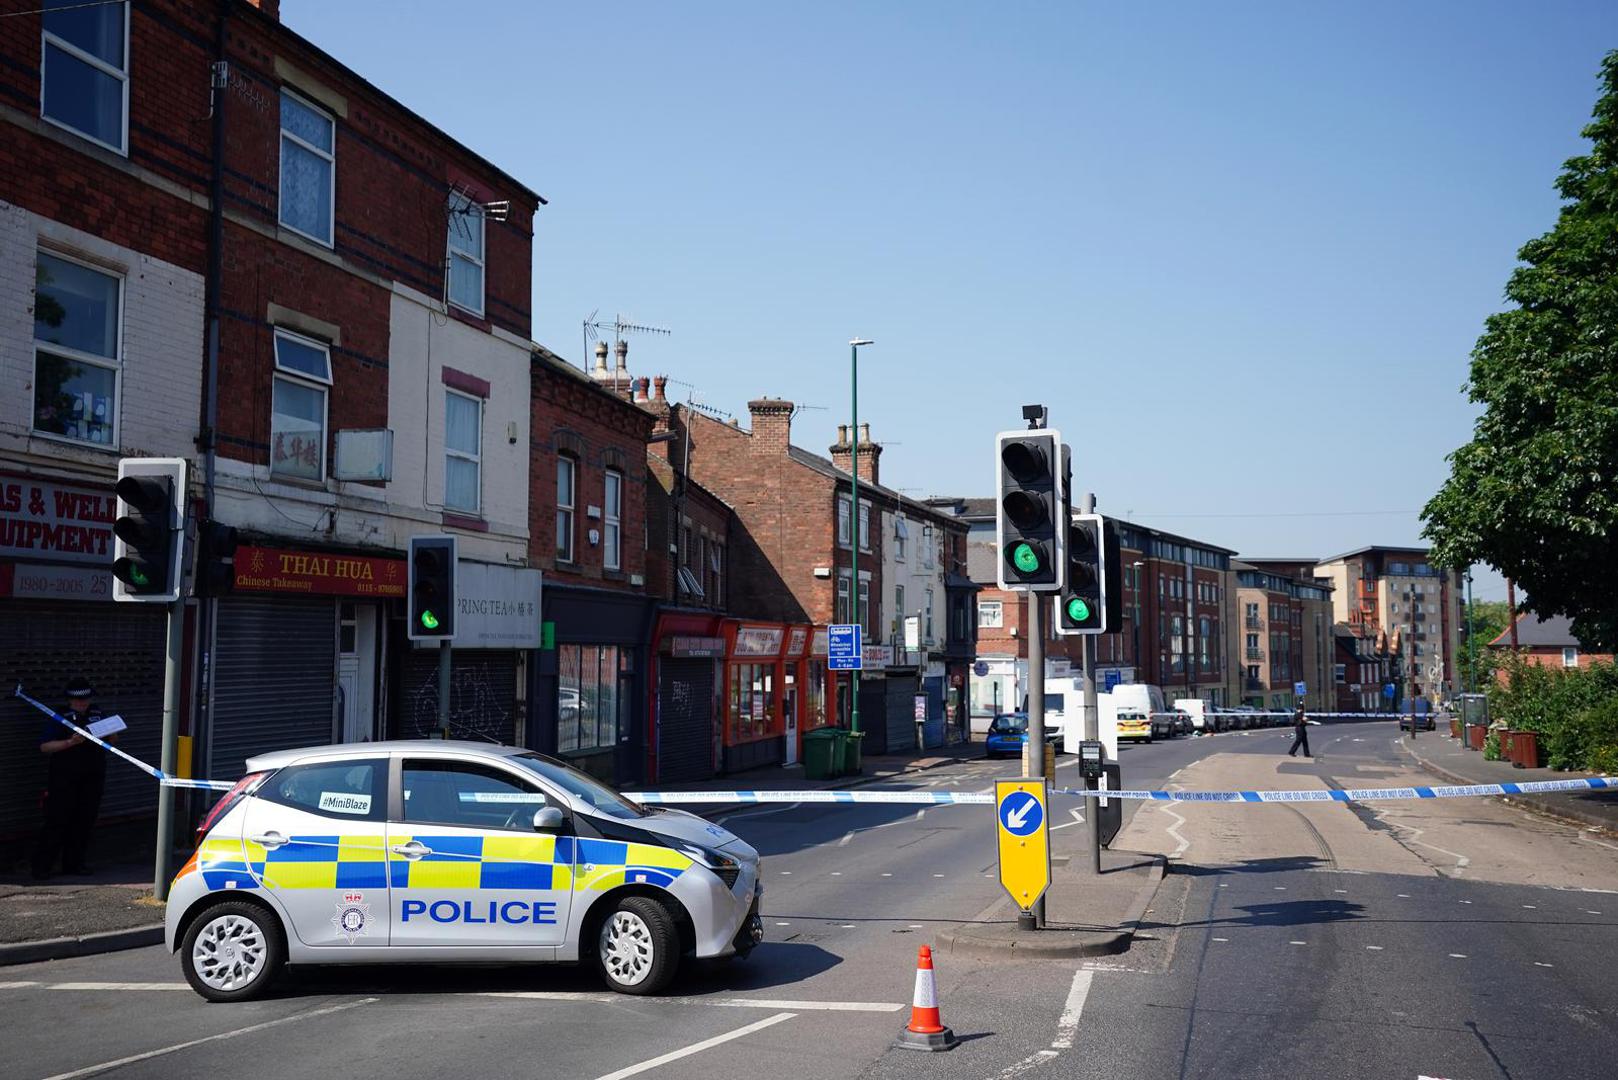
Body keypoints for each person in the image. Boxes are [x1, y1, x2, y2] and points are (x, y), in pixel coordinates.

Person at [32, 679, 110, 879]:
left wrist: (111, 731)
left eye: (86, 699)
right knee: (57, 819)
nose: (82, 703)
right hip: (64, 776)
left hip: (92, 774)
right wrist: (70, 742)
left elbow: (113, 741)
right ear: (70, 700)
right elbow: (45, 746)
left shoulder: (97, 714)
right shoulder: (59, 717)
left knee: (85, 820)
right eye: (77, 700)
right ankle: (42, 867)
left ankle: (74, 864)